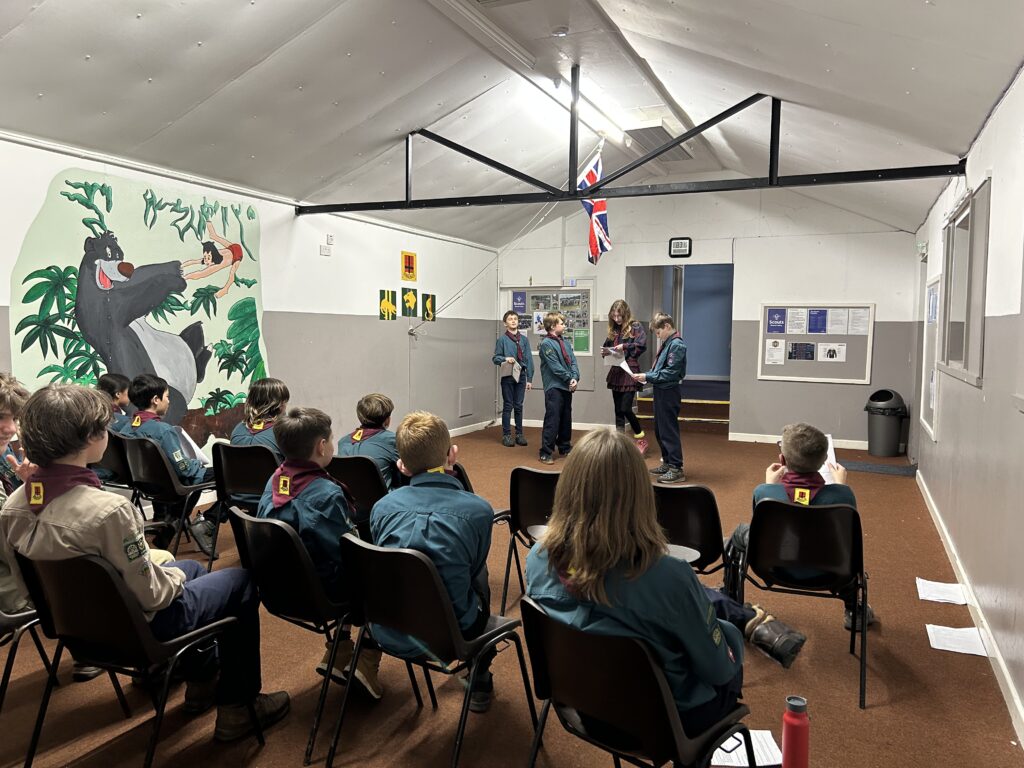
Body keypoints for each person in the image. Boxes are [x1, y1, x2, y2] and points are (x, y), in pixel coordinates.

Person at [0, 384, 290, 739]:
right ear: (89, 437)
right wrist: (172, 577)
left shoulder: (13, 507)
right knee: (240, 581)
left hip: (76, 629)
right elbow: (154, 597)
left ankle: (203, 681)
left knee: (194, 568)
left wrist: (172, 572)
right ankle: (239, 708)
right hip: (139, 631)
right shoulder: (108, 511)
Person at [525, 430, 805, 738]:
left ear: (566, 487)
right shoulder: (667, 575)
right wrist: (728, 635)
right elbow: (719, 670)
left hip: (586, 710)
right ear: (640, 494)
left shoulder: (538, 558)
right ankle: (745, 618)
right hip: (666, 723)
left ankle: (740, 614)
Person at [369, 411, 497, 712]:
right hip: (454, 635)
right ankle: (479, 675)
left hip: (388, 627)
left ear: (401, 464)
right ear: (452, 454)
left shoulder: (380, 508)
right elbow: (475, 566)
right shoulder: (479, 511)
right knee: (479, 575)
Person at [256, 407, 383, 699]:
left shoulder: (275, 479)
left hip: (280, 587)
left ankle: (338, 651)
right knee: (381, 573)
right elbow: (347, 554)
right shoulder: (325, 494)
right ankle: (366, 659)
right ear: (321, 446)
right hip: (320, 593)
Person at [724, 422, 876, 630]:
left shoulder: (764, 493)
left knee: (740, 532)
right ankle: (855, 610)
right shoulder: (843, 496)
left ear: (782, 460)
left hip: (773, 567)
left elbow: (763, 533)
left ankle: (729, 597)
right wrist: (841, 486)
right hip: (832, 572)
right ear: (825, 461)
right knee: (844, 550)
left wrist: (769, 486)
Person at [124, 373, 217, 556]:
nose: (169, 402)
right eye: (167, 397)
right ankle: (209, 521)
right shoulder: (163, 431)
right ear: (155, 400)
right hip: (170, 486)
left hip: (146, 485)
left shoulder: (127, 428)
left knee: (193, 482)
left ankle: (172, 526)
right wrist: (196, 464)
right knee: (223, 474)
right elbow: (183, 469)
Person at [633, 313, 687, 484]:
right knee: (660, 429)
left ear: (667, 327)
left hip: (669, 391)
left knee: (668, 430)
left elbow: (670, 373)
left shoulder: (676, 345)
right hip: (661, 390)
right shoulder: (667, 343)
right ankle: (668, 462)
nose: (657, 336)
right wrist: (648, 376)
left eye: (658, 332)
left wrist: (647, 376)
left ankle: (676, 468)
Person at [600, 299, 648, 455]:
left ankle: (641, 439)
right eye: (614, 316)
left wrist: (625, 346)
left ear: (625, 314)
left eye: (619, 315)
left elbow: (641, 345)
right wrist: (605, 352)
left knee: (626, 408)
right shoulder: (613, 330)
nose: (617, 318)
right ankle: (619, 444)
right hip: (616, 371)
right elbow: (607, 347)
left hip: (629, 371)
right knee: (618, 411)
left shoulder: (635, 326)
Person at [538, 312, 579, 465]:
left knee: (566, 417)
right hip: (554, 386)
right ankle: (546, 451)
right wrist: (570, 378)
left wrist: (575, 377)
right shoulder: (546, 344)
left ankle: (564, 446)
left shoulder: (566, 343)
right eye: (562, 323)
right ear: (553, 326)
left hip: (566, 386)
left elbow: (573, 361)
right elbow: (555, 367)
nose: (564, 325)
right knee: (553, 418)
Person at [337, 393, 400, 490]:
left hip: (349, 502)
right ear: (387, 420)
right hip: (384, 501)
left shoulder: (343, 442)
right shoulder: (393, 440)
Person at [492, 310, 533, 447]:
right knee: (508, 405)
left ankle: (519, 434)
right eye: (510, 319)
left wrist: (529, 379)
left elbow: (529, 359)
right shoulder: (502, 340)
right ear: (505, 323)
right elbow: (495, 358)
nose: (513, 321)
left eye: (515, 318)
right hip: (508, 375)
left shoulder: (524, 340)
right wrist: (505, 358)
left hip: (520, 375)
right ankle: (507, 435)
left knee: (519, 406)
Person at [181, 220, 244, 298]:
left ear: (213, 255)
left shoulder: (221, 263)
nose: (206, 261)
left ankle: (225, 290)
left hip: (237, 255)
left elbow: (231, 275)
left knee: (204, 273)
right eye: (205, 257)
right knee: (214, 236)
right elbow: (194, 261)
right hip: (232, 247)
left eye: (208, 258)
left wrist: (185, 277)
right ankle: (208, 222)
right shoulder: (209, 256)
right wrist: (182, 266)